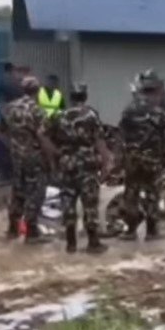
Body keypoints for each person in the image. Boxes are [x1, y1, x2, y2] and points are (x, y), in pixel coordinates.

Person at [50, 83, 110, 254]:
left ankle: (71, 243)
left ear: (70, 97)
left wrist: (56, 154)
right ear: (85, 96)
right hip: (87, 165)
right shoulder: (91, 115)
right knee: (89, 204)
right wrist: (106, 164)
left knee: (68, 203)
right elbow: (99, 141)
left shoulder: (59, 116)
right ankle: (93, 242)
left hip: (67, 164)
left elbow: (42, 134)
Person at [118, 70, 165, 241]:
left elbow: (121, 133)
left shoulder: (129, 110)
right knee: (152, 193)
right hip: (152, 159)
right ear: (156, 90)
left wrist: (121, 156)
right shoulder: (157, 112)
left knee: (131, 193)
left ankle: (130, 230)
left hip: (132, 158)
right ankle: (152, 231)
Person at [0, 76, 56, 242]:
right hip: (34, 157)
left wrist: (12, 145)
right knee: (36, 191)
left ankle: (12, 228)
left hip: (16, 156)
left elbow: (0, 130)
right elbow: (42, 137)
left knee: (18, 190)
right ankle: (31, 231)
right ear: (37, 91)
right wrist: (51, 157)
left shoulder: (9, 108)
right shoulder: (38, 111)